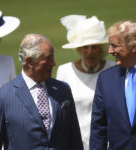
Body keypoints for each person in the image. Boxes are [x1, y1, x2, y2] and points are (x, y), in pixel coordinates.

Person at [0, 33, 84, 150]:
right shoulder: (2, 97)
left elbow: (75, 139)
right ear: (30, 62)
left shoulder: (63, 90)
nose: (53, 63)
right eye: (48, 58)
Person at [56, 15, 115, 149]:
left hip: (107, 143)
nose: (89, 52)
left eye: (94, 47)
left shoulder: (113, 69)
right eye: (85, 47)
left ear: (101, 48)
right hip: (75, 143)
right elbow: (59, 113)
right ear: (79, 49)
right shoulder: (65, 71)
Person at [90, 20, 136, 150]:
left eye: (114, 46)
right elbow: (98, 128)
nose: (110, 51)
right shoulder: (106, 79)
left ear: (133, 46)